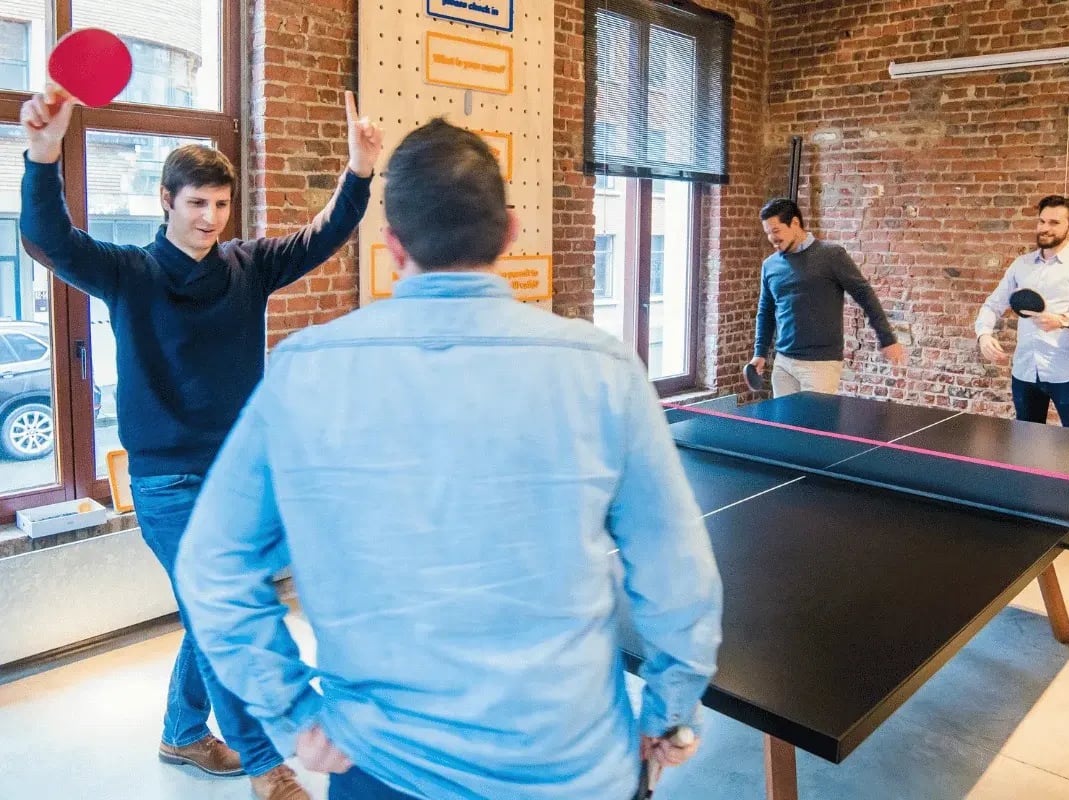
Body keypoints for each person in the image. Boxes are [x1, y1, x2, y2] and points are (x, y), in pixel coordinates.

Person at [174, 119, 723, 800]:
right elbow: (680, 579)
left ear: (391, 246)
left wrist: (294, 712)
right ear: (511, 231)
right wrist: (671, 715)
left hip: (380, 770)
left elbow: (210, 567)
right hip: (571, 769)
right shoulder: (603, 368)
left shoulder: (302, 371)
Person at [19, 90, 383, 800]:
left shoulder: (248, 266)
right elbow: (49, 238)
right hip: (166, 484)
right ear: (165, 201)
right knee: (221, 613)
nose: (210, 218)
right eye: (196, 205)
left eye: (220, 205)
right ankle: (264, 766)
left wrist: (360, 172)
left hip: (239, 475)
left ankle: (183, 733)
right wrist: (42, 156)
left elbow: (323, 235)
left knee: (212, 606)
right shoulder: (129, 273)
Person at [974, 195, 1069, 429]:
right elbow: (993, 304)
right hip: (1025, 371)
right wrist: (984, 334)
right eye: (1041, 221)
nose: (1044, 228)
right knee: (1027, 444)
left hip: (1067, 372)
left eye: (1054, 223)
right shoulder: (1021, 265)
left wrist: (1064, 319)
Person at [751, 198, 905, 396]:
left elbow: (864, 294)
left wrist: (887, 338)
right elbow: (765, 312)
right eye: (768, 233)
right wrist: (760, 353)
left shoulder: (831, 255)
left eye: (776, 231)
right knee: (784, 427)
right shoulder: (770, 265)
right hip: (783, 364)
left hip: (820, 365)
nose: (772, 238)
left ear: (795, 223)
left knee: (816, 425)